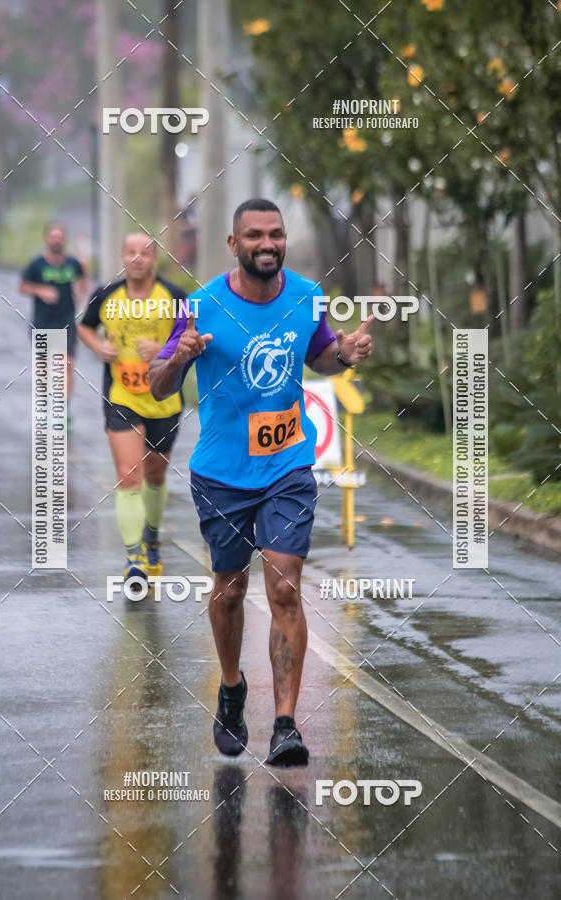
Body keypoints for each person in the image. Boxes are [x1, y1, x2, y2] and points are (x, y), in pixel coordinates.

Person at [149, 198, 374, 767]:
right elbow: (156, 385)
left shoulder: (305, 296)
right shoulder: (199, 307)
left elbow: (319, 354)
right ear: (234, 244)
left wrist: (343, 354)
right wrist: (181, 358)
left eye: (275, 234)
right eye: (255, 235)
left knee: (283, 587)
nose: (267, 243)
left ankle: (285, 724)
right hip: (221, 472)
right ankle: (231, 689)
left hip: (288, 468)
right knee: (227, 592)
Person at [78, 233, 186, 582]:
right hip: (121, 397)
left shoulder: (174, 297)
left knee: (155, 475)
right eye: (131, 252)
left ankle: (151, 538)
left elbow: (194, 338)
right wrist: (98, 347)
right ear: (122, 257)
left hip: (164, 398)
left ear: (155, 258)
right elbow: (83, 326)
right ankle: (135, 558)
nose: (138, 258)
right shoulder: (106, 295)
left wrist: (164, 349)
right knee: (129, 474)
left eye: (145, 252)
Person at [19, 222, 87, 402]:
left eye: (60, 237)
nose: (57, 240)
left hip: (66, 322)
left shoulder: (73, 263)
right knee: (44, 367)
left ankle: (65, 407)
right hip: (42, 323)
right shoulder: (36, 264)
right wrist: (40, 291)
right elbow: (23, 287)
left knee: (67, 365)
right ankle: (44, 403)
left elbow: (82, 280)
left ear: (64, 240)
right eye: (53, 237)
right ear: (47, 239)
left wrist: (80, 291)